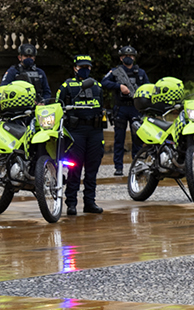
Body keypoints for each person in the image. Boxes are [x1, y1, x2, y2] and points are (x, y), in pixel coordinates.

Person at [57, 54, 106, 215]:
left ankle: (89, 202)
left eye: (87, 67)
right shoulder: (66, 86)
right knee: (75, 168)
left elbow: (102, 108)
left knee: (92, 169)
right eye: (81, 67)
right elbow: (58, 108)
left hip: (95, 131)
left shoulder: (97, 86)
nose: (85, 70)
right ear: (75, 68)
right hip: (76, 132)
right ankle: (71, 203)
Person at [103, 45, 148, 176]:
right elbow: (104, 82)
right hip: (121, 108)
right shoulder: (115, 72)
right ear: (121, 58)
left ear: (134, 57)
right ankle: (118, 167)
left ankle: (137, 164)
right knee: (119, 138)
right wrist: (119, 86)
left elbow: (148, 86)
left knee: (138, 138)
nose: (128, 58)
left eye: (131, 56)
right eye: (125, 56)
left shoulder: (141, 73)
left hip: (135, 107)